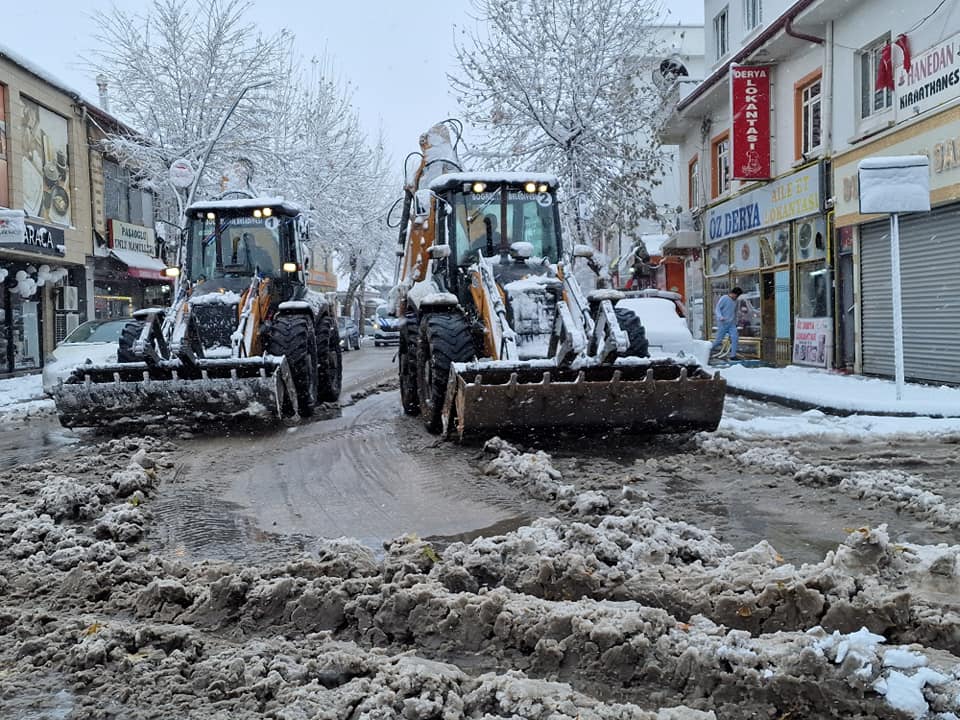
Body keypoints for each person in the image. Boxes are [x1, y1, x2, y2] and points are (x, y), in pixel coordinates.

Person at [711, 286, 743, 361]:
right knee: (718, 340)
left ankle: (733, 355)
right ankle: (707, 349)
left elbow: (734, 312)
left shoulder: (735, 301)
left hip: (731, 324)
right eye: (737, 295)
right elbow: (717, 308)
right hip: (723, 323)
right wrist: (720, 317)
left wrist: (736, 321)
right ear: (733, 293)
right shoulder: (724, 298)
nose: (737, 297)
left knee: (735, 338)